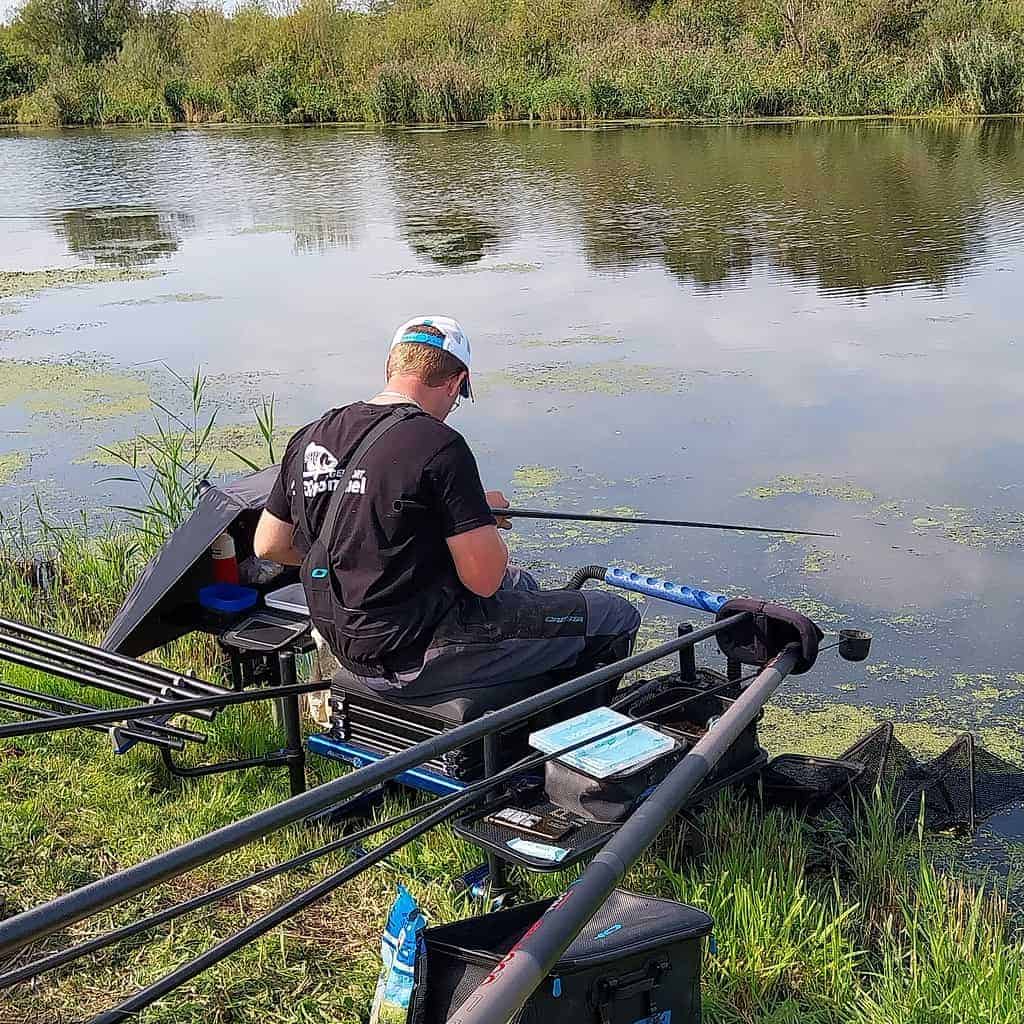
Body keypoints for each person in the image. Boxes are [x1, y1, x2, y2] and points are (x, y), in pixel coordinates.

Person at [254, 315, 640, 699]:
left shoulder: (312, 435)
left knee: (523, 585)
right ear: (457, 382)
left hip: (347, 642)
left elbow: (269, 545)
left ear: (391, 366)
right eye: (459, 395)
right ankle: (551, 746)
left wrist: (455, 516)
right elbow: (484, 579)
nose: (454, 405)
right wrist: (478, 521)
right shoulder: (439, 444)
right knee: (613, 615)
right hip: (412, 653)